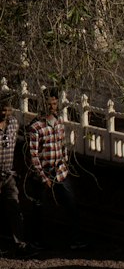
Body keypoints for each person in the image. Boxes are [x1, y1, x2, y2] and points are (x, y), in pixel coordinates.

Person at [28, 93, 79, 248]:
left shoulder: (59, 122)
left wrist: (64, 163)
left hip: (60, 171)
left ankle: (75, 240)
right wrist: (43, 177)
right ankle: (37, 241)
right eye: (49, 104)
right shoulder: (36, 126)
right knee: (39, 208)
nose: (52, 107)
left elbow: (62, 145)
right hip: (44, 171)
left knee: (71, 205)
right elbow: (33, 154)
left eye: (55, 104)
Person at [0, 97, 28, 254]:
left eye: (9, 110)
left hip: (9, 174)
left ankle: (20, 242)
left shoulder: (13, 124)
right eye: (3, 110)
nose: (6, 113)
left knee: (14, 205)